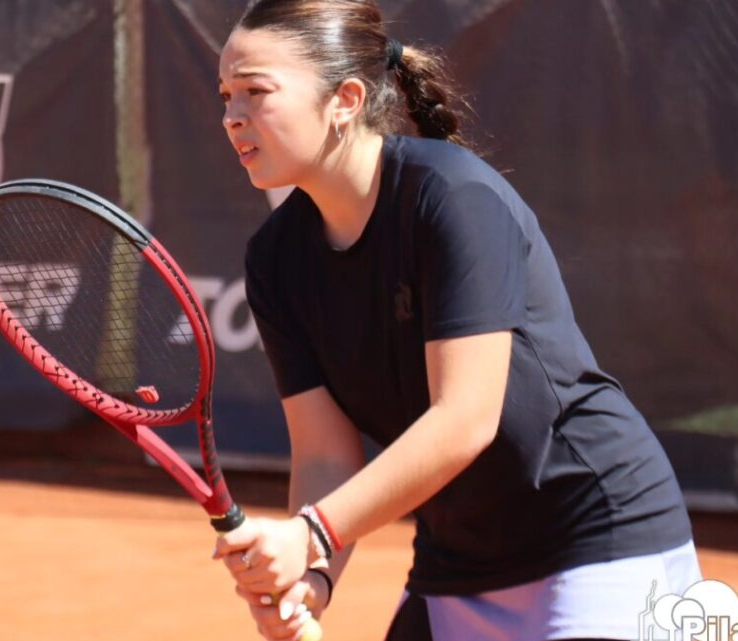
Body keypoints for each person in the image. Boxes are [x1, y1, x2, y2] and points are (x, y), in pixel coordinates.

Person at [210, 1, 702, 640]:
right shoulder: (275, 260)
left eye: (256, 92)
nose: (232, 117)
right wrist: (317, 578)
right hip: (457, 563)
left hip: (597, 541)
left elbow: (464, 419)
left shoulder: (451, 198)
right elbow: (326, 453)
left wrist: (311, 535)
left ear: (346, 99)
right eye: (225, 95)